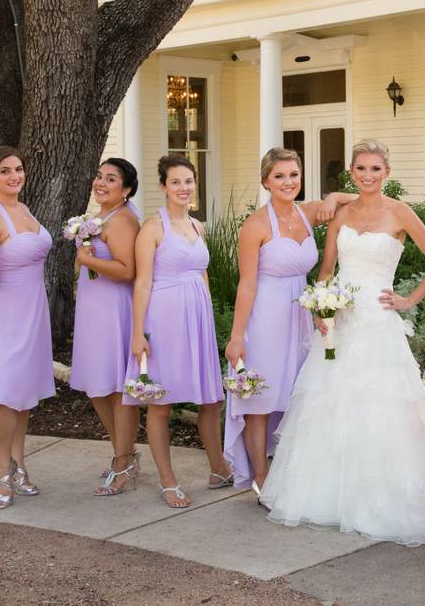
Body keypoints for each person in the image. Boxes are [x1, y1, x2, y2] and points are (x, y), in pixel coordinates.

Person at [260, 140, 425, 546]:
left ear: (386, 173)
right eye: (361, 169)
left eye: (376, 168)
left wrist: (409, 299)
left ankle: (386, 496)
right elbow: (325, 271)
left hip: (379, 322)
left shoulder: (400, 212)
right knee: (332, 404)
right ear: (352, 173)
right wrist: (322, 308)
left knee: (382, 406)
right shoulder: (342, 213)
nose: (368, 175)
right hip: (342, 322)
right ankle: (330, 497)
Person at [223, 148, 356, 492]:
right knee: (261, 400)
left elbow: (364, 198)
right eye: (279, 176)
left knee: (300, 394)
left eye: (293, 175)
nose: (288, 182)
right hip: (265, 317)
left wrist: (333, 195)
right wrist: (237, 336)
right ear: (266, 180)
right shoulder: (255, 226)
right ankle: (261, 478)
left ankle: (293, 473)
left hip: (301, 316)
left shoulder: (309, 212)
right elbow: (247, 283)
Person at [126, 155, 231, 508]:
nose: (184, 188)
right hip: (164, 318)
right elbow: (142, 282)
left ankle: (218, 468)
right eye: (176, 182)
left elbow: (202, 274)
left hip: (196, 318)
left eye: (189, 181)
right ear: (163, 187)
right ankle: (167, 480)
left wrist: (209, 318)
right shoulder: (153, 228)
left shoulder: (198, 226)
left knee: (211, 399)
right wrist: (138, 333)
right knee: (162, 402)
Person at [0, 146, 55, 509]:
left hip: (33, 308)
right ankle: (2, 474)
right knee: (2, 395)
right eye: (5, 171)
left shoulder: (23, 208)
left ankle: (19, 465)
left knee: (22, 392)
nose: (14, 176)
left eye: (18, 169)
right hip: (3, 311)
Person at [68, 158, 142, 496]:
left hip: (114, 310)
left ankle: (123, 461)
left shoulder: (123, 220)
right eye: (99, 175)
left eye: (110, 179)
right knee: (97, 385)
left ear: (125, 189)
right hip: (93, 309)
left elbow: (127, 270)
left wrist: (87, 259)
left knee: (116, 388)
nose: (101, 182)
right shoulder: (98, 218)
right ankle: (123, 452)